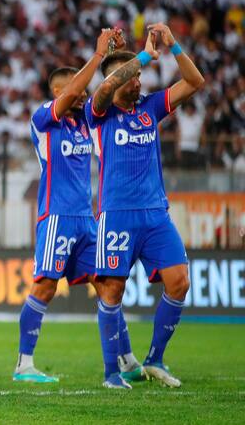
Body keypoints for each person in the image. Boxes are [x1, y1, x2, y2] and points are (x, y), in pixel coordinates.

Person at [13, 28, 144, 384]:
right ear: (59, 92)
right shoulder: (43, 118)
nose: (84, 93)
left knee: (107, 285)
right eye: (78, 88)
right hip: (56, 217)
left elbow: (103, 93)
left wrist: (127, 59)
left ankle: (128, 360)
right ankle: (24, 365)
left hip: (87, 220)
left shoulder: (85, 121)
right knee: (45, 287)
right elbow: (75, 89)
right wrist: (97, 56)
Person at [86, 23, 204, 388]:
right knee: (112, 291)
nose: (140, 82)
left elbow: (195, 82)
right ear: (119, 78)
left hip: (155, 215)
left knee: (180, 281)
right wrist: (142, 57)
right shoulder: (99, 113)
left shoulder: (150, 108)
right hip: (116, 214)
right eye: (134, 77)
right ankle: (111, 373)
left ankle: (155, 358)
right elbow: (104, 87)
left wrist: (172, 46)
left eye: (140, 77)